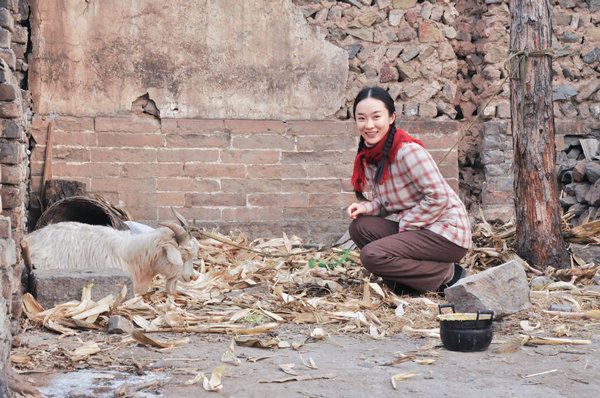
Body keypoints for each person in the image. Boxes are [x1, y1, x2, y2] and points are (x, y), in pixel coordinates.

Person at [347, 86, 472, 295]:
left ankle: (446, 274)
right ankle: (411, 283)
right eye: (361, 118)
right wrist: (365, 208)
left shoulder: (408, 151)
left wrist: (407, 223)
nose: (369, 125)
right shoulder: (371, 157)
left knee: (371, 255)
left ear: (391, 117)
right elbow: (386, 202)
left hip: (446, 232)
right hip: (418, 228)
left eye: (376, 117)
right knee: (360, 227)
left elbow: (438, 196)